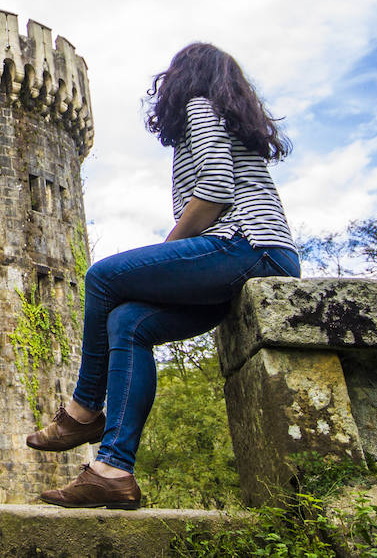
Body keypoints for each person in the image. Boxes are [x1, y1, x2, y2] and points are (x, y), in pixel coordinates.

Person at [27, 42, 299, 509]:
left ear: (184, 77)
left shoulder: (200, 104)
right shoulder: (228, 116)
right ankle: (111, 470)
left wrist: (164, 256)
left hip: (247, 247)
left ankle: (83, 409)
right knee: (128, 323)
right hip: (261, 257)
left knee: (105, 277)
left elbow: (214, 188)